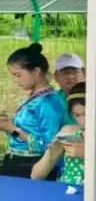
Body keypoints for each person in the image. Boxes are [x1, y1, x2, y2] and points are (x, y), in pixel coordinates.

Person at [0, 43, 68, 178]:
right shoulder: (35, 98)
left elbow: (48, 145)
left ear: (36, 71)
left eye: (18, 75)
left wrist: (13, 129)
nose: (15, 80)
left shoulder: (49, 103)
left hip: (31, 167)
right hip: (17, 162)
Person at [33, 83, 86, 184]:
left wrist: (89, 154)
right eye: (77, 115)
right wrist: (51, 153)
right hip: (66, 190)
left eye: (87, 114)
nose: (83, 121)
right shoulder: (69, 132)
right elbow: (36, 175)